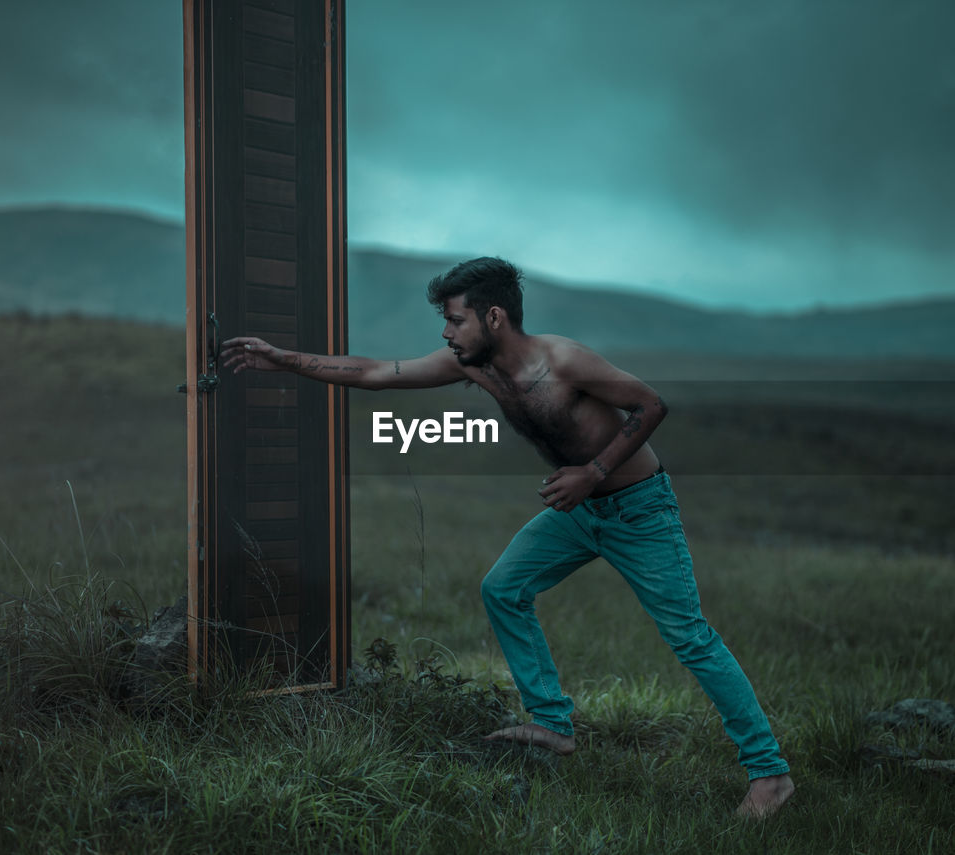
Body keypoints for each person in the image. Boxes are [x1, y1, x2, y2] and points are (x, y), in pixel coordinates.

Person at [220, 257, 794, 818]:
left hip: (639, 510)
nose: (446, 332)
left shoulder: (564, 361)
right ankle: (552, 724)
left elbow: (650, 404)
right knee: (503, 588)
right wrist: (284, 360)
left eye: (454, 319)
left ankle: (770, 775)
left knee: (689, 637)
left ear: (494, 318)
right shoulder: (472, 366)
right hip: (577, 512)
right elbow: (376, 373)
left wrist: (592, 473)